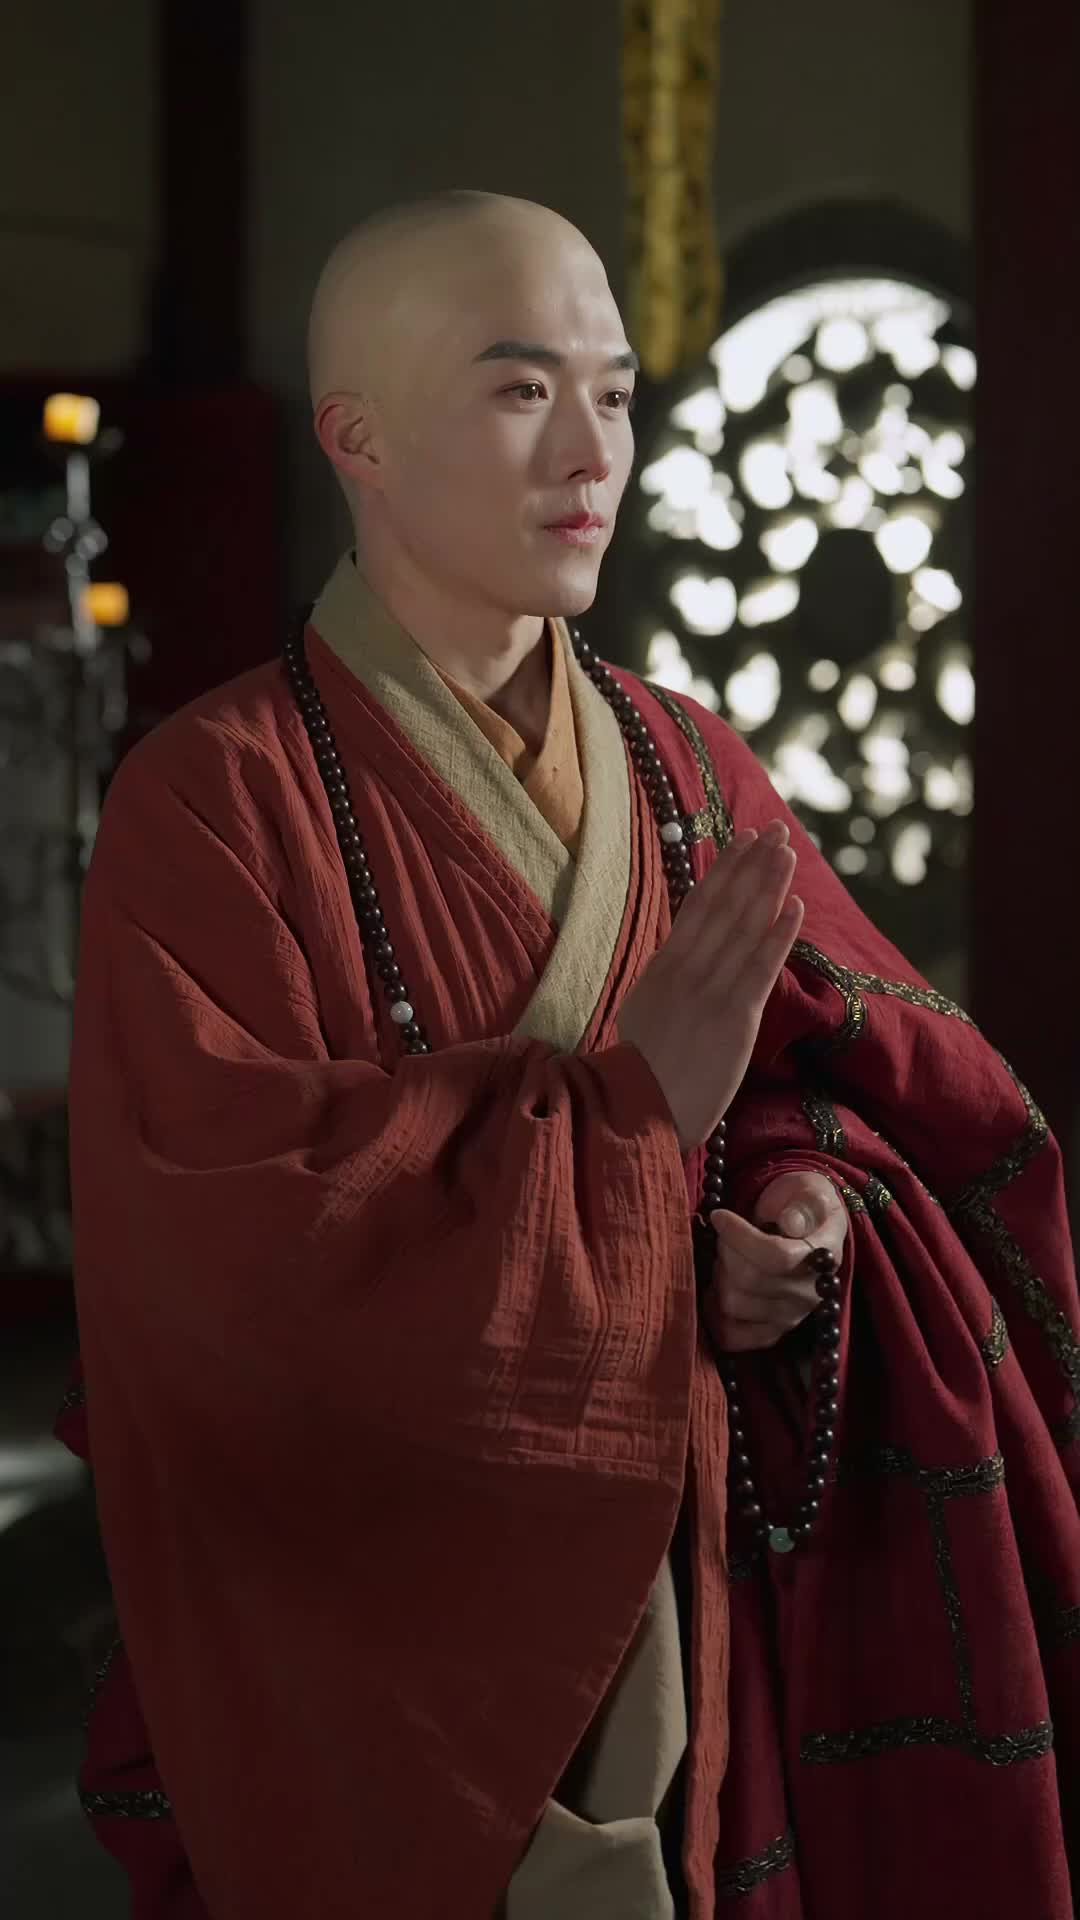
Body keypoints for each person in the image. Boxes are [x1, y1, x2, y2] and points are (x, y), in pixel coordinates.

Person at [57, 192, 1078, 1920]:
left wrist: (795, 1208)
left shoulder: (688, 768)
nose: (592, 451)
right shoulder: (211, 804)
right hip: (383, 1653)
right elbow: (230, 1275)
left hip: (688, 1582)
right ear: (357, 438)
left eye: (613, 393)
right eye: (522, 391)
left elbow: (833, 1089)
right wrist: (628, 1130)